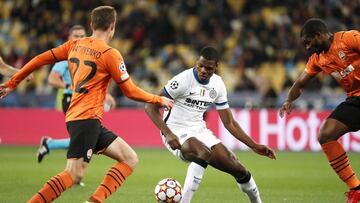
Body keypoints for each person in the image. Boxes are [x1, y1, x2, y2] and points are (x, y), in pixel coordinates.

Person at [0, 5, 173, 203]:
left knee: (130, 158)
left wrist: (14, 81)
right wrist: (158, 99)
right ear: (112, 27)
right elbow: (130, 91)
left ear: (91, 24)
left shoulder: (74, 45)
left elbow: (39, 59)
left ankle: (94, 201)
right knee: (72, 174)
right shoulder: (110, 54)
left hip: (82, 118)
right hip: (86, 119)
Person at [145, 46, 276, 203]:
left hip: (199, 131)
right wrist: (168, 133)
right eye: (200, 66)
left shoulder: (218, 84)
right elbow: (150, 107)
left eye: (208, 68)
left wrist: (254, 145)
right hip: (176, 131)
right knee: (203, 152)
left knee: (238, 168)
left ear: (216, 66)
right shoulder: (182, 80)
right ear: (196, 63)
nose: (203, 70)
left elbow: (229, 122)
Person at [279, 18, 360, 203]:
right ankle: (356, 189)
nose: (307, 47)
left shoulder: (349, 38)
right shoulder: (318, 59)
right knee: (326, 134)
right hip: (356, 99)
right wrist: (289, 99)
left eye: (308, 42)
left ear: (319, 35)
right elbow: (300, 83)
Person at [36, 25, 116, 168]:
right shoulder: (67, 56)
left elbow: (94, 80)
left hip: (86, 99)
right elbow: (52, 78)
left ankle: (52, 147)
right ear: (69, 38)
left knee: (84, 137)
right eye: (76, 36)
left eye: (81, 36)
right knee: (84, 137)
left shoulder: (89, 54)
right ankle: (73, 171)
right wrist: (68, 86)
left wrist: (107, 94)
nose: (79, 38)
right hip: (71, 99)